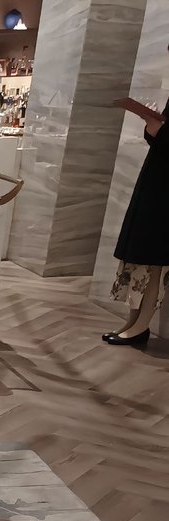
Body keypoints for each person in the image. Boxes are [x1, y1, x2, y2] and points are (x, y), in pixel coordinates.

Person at [105, 64, 169, 346]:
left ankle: (141, 325)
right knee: (141, 254)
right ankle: (133, 321)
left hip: (164, 189)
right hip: (156, 181)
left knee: (155, 259)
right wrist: (153, 129)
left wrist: (159, 131)